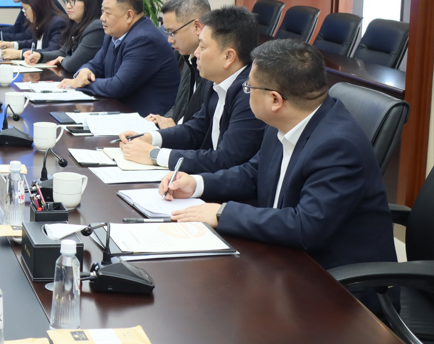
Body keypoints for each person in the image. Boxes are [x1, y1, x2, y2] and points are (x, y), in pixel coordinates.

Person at [161, 39, 396, 297]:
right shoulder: (284, 121)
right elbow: (253, 174)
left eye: (249, 87)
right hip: (283, 259)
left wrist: (222, 213)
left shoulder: (337, 146)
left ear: (275, 99)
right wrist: (197, 184)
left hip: (338, 289)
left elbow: (306, 227)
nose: (246, 92)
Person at [117, 6, 266, 174]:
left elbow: (226, 160)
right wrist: (149, 138)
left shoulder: (250, 95)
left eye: (202, 47)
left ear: (228, 57)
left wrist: (154, 155)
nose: (196, 53)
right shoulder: (215, 81)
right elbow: (195, 129)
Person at [59, 0, 180, 117]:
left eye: (107, 13)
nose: (102, 18)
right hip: (119, 110)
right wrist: (85, 71)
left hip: (146, 119)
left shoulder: (144, 39)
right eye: (102, 11)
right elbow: (95, 64)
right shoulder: (113, 33)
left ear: (129, 15)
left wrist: (80, 84)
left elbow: (117, 87)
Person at [149, 0, 212, 129]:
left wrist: (175, 129)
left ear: (197, 26)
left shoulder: (215, 66)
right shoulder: (186, 55)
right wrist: (161, 120)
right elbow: (181, 107)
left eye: (172, 33)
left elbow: (204, 126)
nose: (169, 40)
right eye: (167, 33)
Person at [28, 0, 105, 73]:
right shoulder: (76, 24)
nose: (68, 6)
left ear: (89, 2)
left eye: (73, 1)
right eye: (67, 1)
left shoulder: (96, 27)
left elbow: (73, 64)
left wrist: (61, 59)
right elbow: (64, 52)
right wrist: (40, 56)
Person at [0, 0, 66, 60]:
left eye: (25, 9)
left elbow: (52, 51)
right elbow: (36, 44)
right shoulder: (43, 21)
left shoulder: (58, 23)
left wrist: (20, 53)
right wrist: (13, 45)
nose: (24, 13)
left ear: (37, 7)